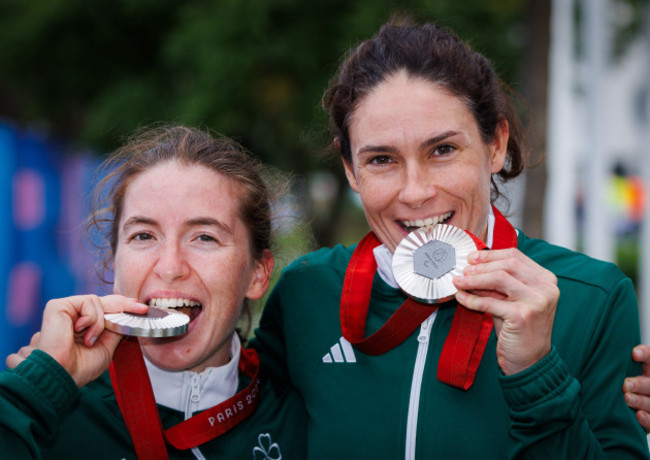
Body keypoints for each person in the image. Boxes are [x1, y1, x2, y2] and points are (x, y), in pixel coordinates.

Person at [250, 20, 650, 458]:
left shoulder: (592, 297)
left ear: (495, 145)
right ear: (350, 170)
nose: (416, 191)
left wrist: (537, 374)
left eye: (442, 150)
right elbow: (236, 429)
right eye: (382, 159)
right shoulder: (306, 293)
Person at [1, 126, 306, 459]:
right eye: (143, 236)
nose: (170, 266)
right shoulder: (47, 417)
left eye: (204, 237)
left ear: (258, 274)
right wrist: (35, 392)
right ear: (115, 264)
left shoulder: (301, 420)